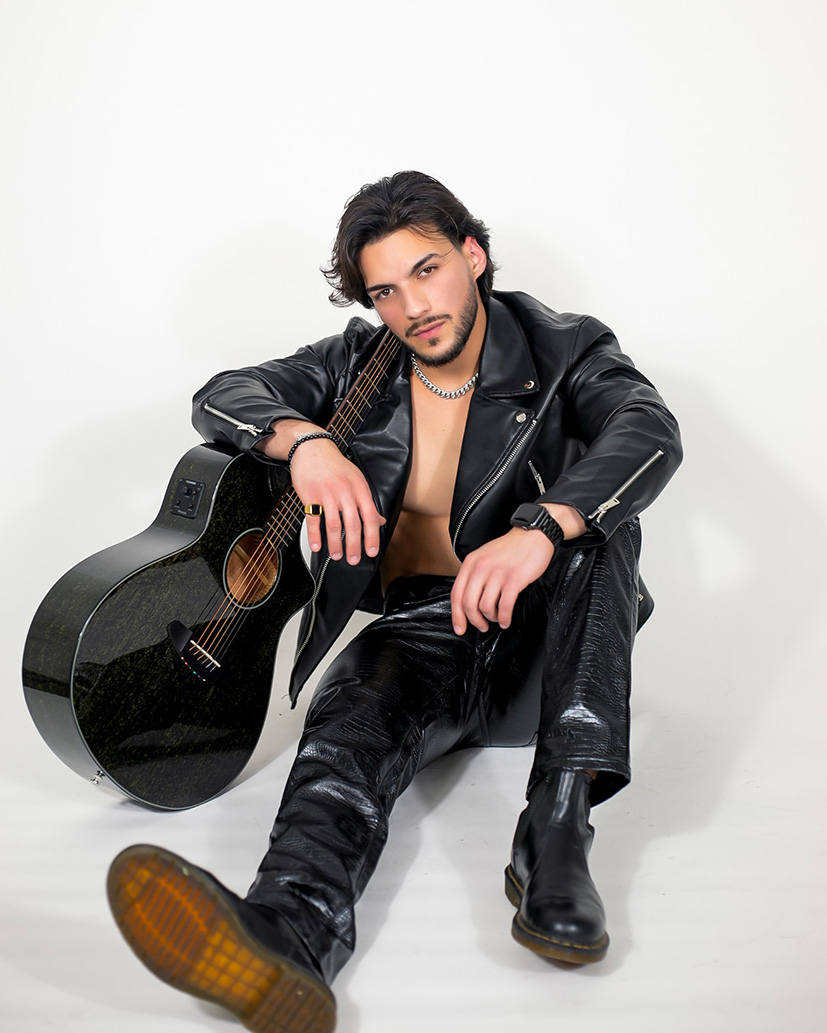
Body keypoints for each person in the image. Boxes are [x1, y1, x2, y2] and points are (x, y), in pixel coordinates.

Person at [106, 171, 682, 1033]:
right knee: (346, 728)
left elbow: (649, 429)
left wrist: (539, 527)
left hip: (550, 646)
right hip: (423, 629)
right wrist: (304, 442)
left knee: (602, 529)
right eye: (385, 291)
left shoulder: (565, 347)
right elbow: (221, 393)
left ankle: (555, 832)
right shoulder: (356, 366)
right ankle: (287, 936)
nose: (412, 307)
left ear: (472, 255)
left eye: (427, 270)